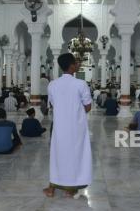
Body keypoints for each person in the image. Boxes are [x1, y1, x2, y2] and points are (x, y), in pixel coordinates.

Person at [43, 53, 92, 198]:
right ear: (71, 66)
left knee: (58, 155)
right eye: (76, 63)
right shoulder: (80, 84)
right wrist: (75, 113)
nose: (78, 65)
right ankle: (70, 188)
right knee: (75, 155)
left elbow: (52, 104)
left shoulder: (52, 85)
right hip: (76, 128)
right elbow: (88, 107)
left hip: (59, 127)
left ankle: (52, 188)